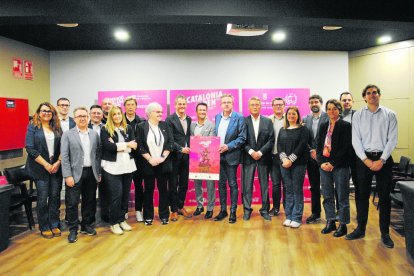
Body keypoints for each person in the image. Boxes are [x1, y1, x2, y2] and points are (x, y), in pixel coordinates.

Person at [346, 84, 398, 249]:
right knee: (361, 196)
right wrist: (366, 160)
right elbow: (356, 140)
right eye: (369, 93)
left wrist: (381, 160)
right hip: (364, 160)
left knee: (384, 198)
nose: (372, 95)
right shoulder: (358, 115)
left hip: (384, 159)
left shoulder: (390, 114)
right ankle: (361, 229)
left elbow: (392, 140)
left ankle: (385, 233)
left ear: (379, 95)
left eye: (375, 92)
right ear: (364, 97)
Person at [61, 107, 101, 243]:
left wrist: (98, 172)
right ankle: (73, 229)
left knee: (89, 201)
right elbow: (65, 157)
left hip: (91, 173)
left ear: (88, 117)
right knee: (72, 203)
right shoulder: (67, 134)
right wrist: (67, 175)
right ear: (75, 118)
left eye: (84, 116)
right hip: (74, 174)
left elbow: (97, 155)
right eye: (79, 116)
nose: (82, 118)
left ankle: (86, 225)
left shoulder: (94, 134)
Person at [25, 102, 63, 239]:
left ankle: (54, 224)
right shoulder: (33, 127)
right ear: (39, 112)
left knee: (54, 197)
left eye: (49, 111)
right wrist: (46, 165)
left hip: (56, 168)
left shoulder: (57, 128)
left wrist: (58, 162)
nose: (46, 113)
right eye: (43, 110)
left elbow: (63, 147)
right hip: (40, 169)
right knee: (42, 199)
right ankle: (44, 226)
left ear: (53, 113)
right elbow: (30, 148)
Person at [316, 99, 351, 237]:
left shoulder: (345, 125)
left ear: (339, 110)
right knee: (327, 195)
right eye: (329, 109)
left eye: (335, 109)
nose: (331, 111)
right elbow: (318, 145)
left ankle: (343, 224)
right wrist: (321, 163)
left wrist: (333, 163)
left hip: (340, 166)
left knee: (342, 196)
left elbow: (346, 148)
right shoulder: (323, 125)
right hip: (324, 166)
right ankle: (330, 221)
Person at [101, 106, 137, 235]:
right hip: (112, 168)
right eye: (114, 114)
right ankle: (114, 222)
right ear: (110, 116)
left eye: (119, 114)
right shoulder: (105, 129)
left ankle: (122, 220)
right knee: (116, 195)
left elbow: (134, 145)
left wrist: (118, 146)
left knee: (125, 195)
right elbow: (107, 147)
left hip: (127, 166)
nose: (117, 116)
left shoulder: (128, 128)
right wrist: (126, 145)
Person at [136, 102, 173, 225]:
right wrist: (150, 159)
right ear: (150, 113)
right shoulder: (141, 126)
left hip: (163, 163)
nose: (160, 114)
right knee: (148, 190)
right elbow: (140, 145)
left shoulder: (165, 125)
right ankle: (148, 216)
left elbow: (170, 143)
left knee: (163, 190)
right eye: (157, 112)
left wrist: (162, 157)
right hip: (148, 164)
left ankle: (164, 216)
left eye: (161, 112)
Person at [214, 94, 246, 224]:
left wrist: (228, 146)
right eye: (224, 102)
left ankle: (233, 211)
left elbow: (242, 137)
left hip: (231, 155)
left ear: (232, 104)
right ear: (221, 104)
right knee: (221, 184)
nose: (226, 104)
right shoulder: (217, 117)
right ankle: (223, 210)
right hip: (218, 156)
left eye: (229, 102)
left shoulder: (239, 118)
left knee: (232, 184)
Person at [242, 97, 274, 221]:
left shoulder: (267, 121)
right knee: (247, 186)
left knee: (264, 185)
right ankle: (247, 209)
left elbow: (271, 140)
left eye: (257, 104)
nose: (255, 106)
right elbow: (242, 140)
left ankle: (265, 210)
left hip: (263, 158)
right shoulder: (243, 121)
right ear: (249, 107)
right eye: (252, 105)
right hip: (248, 158)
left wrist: (260, 152)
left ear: (260, 106)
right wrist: (251, 152)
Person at [277, 106, 309, 228]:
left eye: (294, 114)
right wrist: (284, 159)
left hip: (298, 164)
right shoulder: (282, 129)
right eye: (289, 113)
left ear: (298, 116)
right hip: (284, 164)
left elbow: (302, 146)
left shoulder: (303, 129)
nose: (291, 116)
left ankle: (296, 217)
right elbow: (279, 146)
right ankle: (289, 216)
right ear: (286, 116)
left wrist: (290, 160)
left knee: (297, 190)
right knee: (288, 190)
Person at [303, 94, 328, 224]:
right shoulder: (304, 119)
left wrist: (319, 152)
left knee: (328, 186)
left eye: (316, 102)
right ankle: (316, 213)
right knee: (314, 187)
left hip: (325, 158)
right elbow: (303, 138)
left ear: (321, 103)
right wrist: (311, 150)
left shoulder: (328, 117)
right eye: (311, 102)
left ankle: (333, 214)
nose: (314, 104)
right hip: (311, 158)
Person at [166, 95, 192, 221]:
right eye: (179, 104)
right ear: (175, 105)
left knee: (184, 184)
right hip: (174, 157)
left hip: (186, 157)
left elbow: (188, 137)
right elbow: (170, 139)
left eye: (184, 104)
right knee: (173, 184)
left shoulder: (189, 119)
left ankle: (181, 206)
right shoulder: (169, 119)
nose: (182, 106)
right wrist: (181, 149)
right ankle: (174, 210)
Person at [190, 103, 216, 219]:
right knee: (197, 183)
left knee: (210, 185)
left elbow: (212, 141)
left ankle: (210, 208)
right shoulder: (192, 125)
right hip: (195, 158)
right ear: (196, 112)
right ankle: (200, 206)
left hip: (208, 158)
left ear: (207, 111)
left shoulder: (211, 125)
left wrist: (201, 140)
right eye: (200, 110)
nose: (202, 112)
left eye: (204, 110)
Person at [88, 104, 107, 223]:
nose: (96, 115)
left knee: (105, 191)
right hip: (89, 164)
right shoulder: (83, 126)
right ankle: (90, 218)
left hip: (105, 163)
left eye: (98, 113)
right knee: (90, 193)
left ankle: (105, 215)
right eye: (94, 113)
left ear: (102, 115)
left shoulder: (106, 127)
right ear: (90, 114)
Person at [268, 97, 286, 216]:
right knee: (275, 184)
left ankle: (288, 207)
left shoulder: (290, 118)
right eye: (276, 104)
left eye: (280, 104)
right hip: (273, 156)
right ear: (272, 106)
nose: (278, 106)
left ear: (284, 105)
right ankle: (275, 208)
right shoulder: (268, 120)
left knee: (287, 184)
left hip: (286, 158)